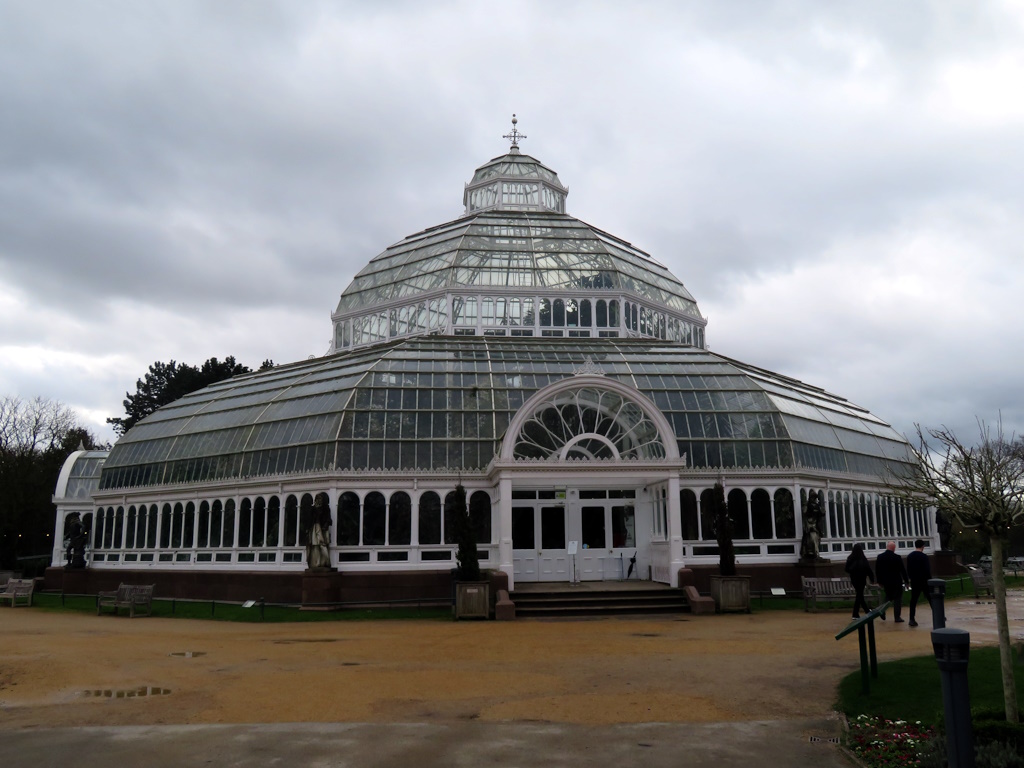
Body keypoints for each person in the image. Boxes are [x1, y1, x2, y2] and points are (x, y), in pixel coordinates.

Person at [876, 541, 909, 622]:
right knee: (897, 599)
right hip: (896, 581)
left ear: (887, 547)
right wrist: (906, 581)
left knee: (888, 597)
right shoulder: (897, 557)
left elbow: (878, 570)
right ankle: (897, 617)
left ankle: (882, 611)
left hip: (886, 582)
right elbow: (902, 570)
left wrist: (879, 581)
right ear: (894, 548)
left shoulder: (880, 557)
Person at [906, 539, 932, 627]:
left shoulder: (910, 556)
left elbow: (908, 569)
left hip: (914, 581)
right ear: (922, 546)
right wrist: (930, 579)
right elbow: (927, 570)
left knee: (913, 600)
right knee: (931, 599)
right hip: (924, 580)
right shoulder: (924, 557)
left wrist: (910, 578)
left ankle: (911, 618)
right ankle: (938, 616)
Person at [845, 543, 875, 618]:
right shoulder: (863, 558)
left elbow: (846, 569)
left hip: (854, 579)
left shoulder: (850, 558)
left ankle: (865, 611)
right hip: (862, 579)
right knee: (859, 595)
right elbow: (868, 570)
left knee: (859, 595)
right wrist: (872, 579)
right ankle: (856, 613)